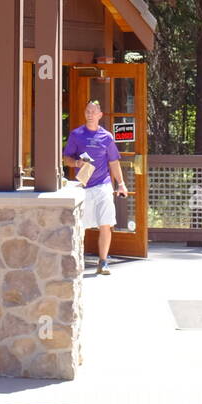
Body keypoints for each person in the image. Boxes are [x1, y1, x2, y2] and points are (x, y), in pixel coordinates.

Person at [63, 97, 128, 275]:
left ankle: (103, 261)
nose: (90, 115)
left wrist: (121, 184)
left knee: (105, 223)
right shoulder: (77, 135)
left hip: (103, 185)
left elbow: (114, 162)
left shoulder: (106, 137)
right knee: (81, 226)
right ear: (85, 114)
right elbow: (66, 158)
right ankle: (78, 261)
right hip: (83, 187)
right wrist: (76, 163)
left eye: (93, 112)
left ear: (100, 115)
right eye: (87, 112)